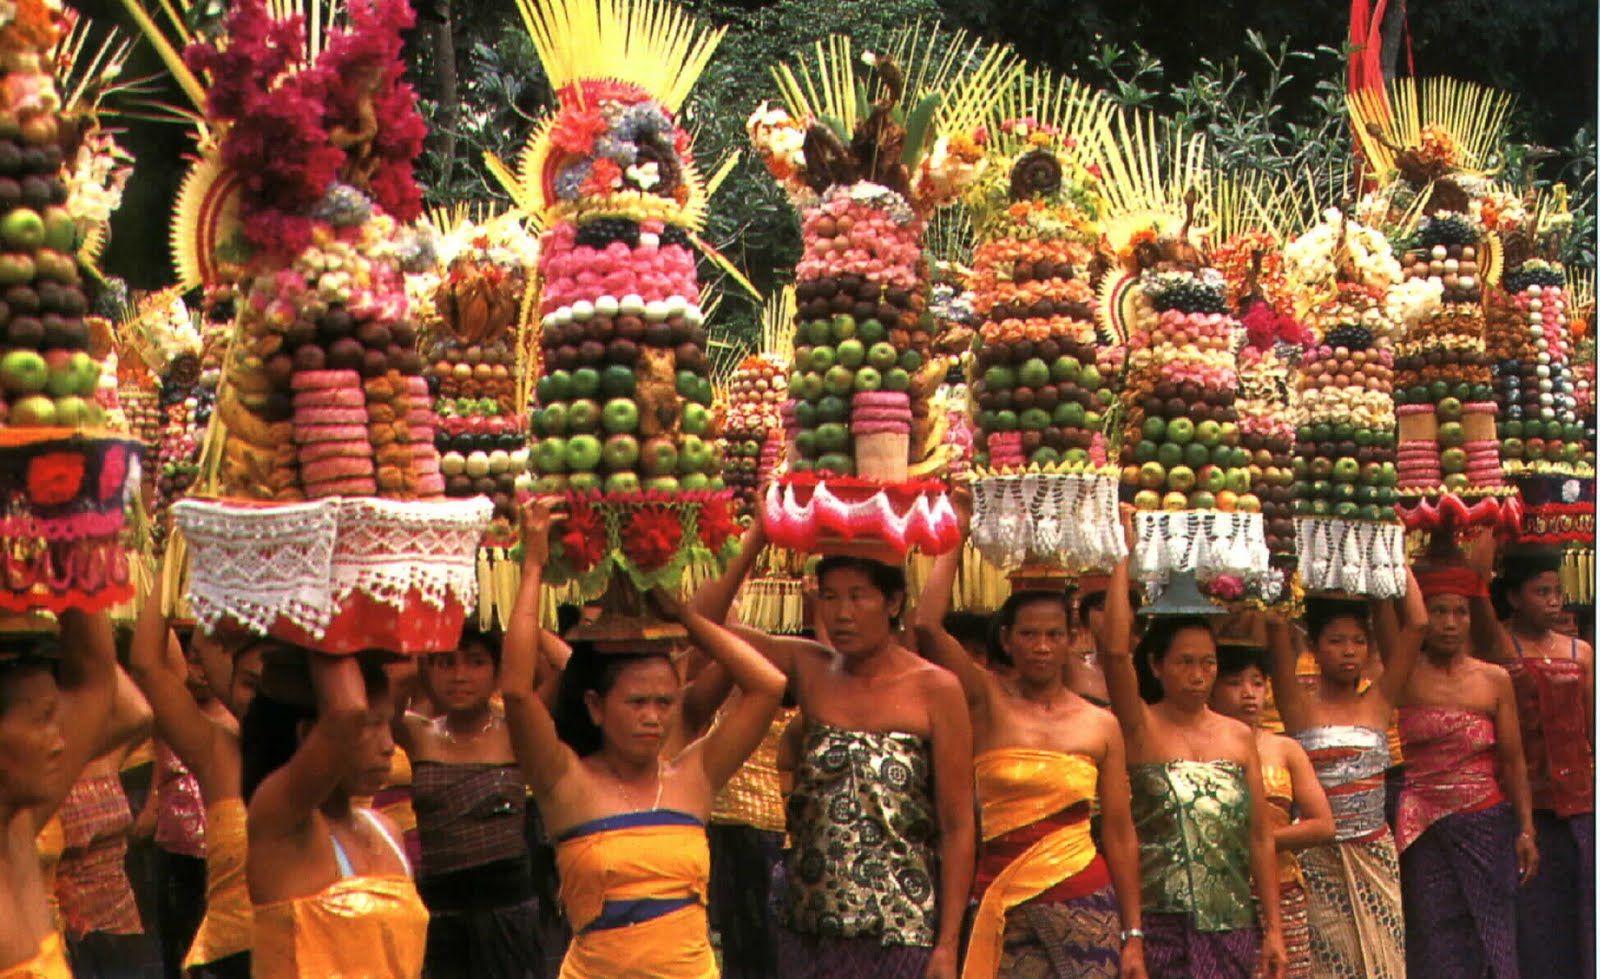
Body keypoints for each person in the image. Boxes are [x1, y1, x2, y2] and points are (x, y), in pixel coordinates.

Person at [501, 501, 786, 977]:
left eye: (665, 703)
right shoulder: (564, 781)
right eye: (636, 703)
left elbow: (768, 685)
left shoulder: (693, 776)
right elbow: (515, 691)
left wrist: (682, 616)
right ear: (595, 707)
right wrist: (531, 567)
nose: (653, 718)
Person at [696, 520, 976, 979]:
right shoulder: (810, 668)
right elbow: (704, 626)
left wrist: (947, 944)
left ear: (893, 603)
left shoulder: (936, 690)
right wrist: (758, 537)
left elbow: (958, 825)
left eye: (857, 596)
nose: (841, 613)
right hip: (809, 924)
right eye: (829, 596)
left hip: (902, 930)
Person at [917, 513, 1146, 979]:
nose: (1042, 646)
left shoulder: (1100, 724)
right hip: (1003, 905)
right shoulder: (986, 702)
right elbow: (926, 627)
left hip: (1088, 910)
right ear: (1007, 639)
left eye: (1054, 635)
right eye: (1029, 634)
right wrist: (957, 524)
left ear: (1071, 641)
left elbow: (1120, 835)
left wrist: (1134, 936)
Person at [1099, 512, 1286, 979]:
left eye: (1208, 663)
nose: (1199, 675)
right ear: (1157, 666)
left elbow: (1260, 836)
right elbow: (1115, 651)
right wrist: (1123, 556)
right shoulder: (1140, 726)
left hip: (1231, 924)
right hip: (1159, 923)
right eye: (1185, 662)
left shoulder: (1239, 737)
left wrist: (1274, 930)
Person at [1265, 569, 1426, 979]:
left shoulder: (1379, 701)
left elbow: (1418, 624)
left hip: (1374, 852)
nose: (1349, 651)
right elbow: (1276, 629)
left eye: (1358, 641)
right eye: (1336, 641)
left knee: (1384, 959)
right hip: (1317, 858)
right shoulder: (1298, 707)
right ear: (1314, 649)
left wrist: (1391, 558)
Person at [243, 648, 429, 978]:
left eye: (389, 724)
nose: (388, 745)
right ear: (309, 735)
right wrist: (325, 616)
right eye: (369, 726)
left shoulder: (387, 830)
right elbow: (346, 709)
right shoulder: (280, 824)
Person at [1397, 563, 1535, 979]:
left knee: (1491, 932)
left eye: (1460, 612)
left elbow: (1512, 760)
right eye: (1439, 612)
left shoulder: (1493, 680)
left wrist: (1526, 828)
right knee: (1433, 933)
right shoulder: (1402, 676)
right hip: (1423, 830)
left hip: (1486, 824)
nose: (1450, 623)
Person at [393, 629, 543, 978]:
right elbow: (383, 704)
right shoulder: (418, 733)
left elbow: (567, 670)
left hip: (509, 914)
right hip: (438, 911)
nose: (460, 676)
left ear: (496, 670)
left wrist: (519, 623)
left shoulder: (518, 729)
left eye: (476, 663)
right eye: (446, 663)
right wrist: (421, 649)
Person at [126, 587, 257, 979]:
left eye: (272, 682)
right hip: (227, 962)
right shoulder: (220, 756)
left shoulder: (323, 757)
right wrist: (175, 568)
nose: (261, 696)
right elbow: (148, 668)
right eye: (250, 682)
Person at [1488, 545, 1595, 979]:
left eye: (1557, 592)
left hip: (1579, 802)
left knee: (1582, 909)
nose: (1554, 601)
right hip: (1524, 802)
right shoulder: (1499, 648)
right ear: (1514, 597)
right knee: (1532, 918)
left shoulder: (1580, 652)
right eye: (1542, 592)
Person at [0, 610, 121, 978]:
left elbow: (96, 681)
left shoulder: (15, 829)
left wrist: (77, 564)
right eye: (43, 718)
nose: (60, 741)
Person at [1207, 636, 1335, 979]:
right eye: (1234, 683)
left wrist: (1262, 842)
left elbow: (1323, 824)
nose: (1248, 693)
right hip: (1218, 891)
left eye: (1257, 683)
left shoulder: (1285, 749)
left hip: (1282, 886)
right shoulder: (1200, 747)